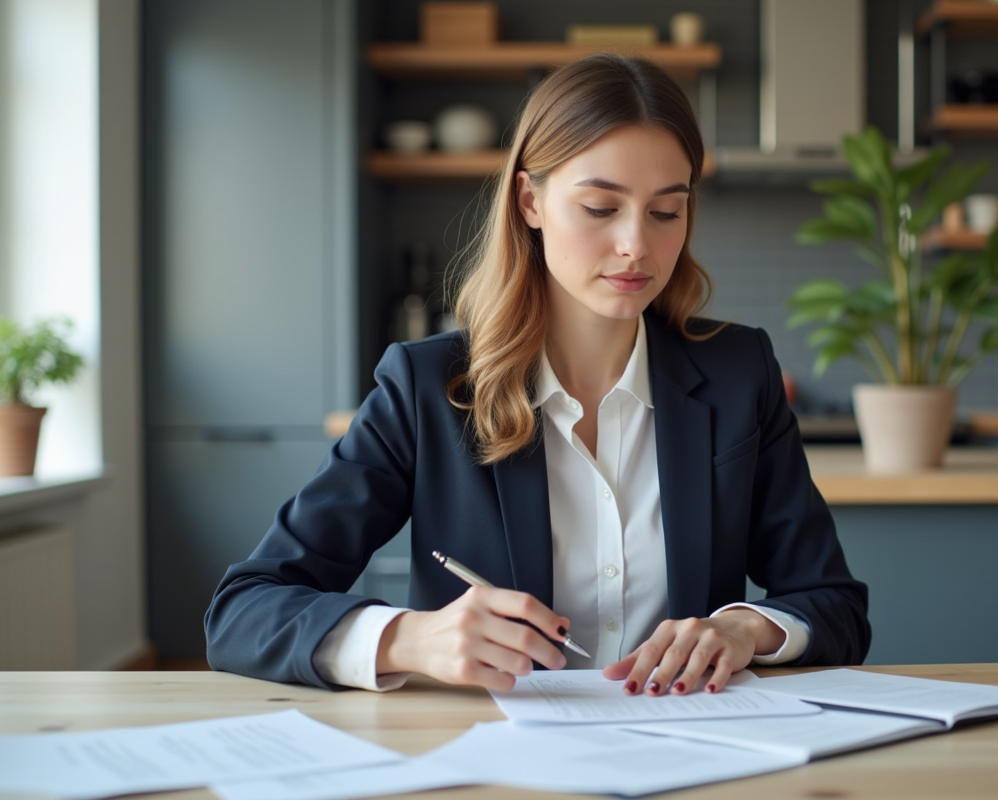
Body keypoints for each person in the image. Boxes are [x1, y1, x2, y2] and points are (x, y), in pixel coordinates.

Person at [205, 53, 869, 695]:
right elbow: (242, 610)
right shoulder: (425, 387)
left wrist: (746, 629)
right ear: (529, 200)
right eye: (601, 207)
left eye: (667, 211)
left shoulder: (737, 373)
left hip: (691, 753)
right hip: (493, 759)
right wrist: (410, 639)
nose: (637, 243)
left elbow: (835, 604)